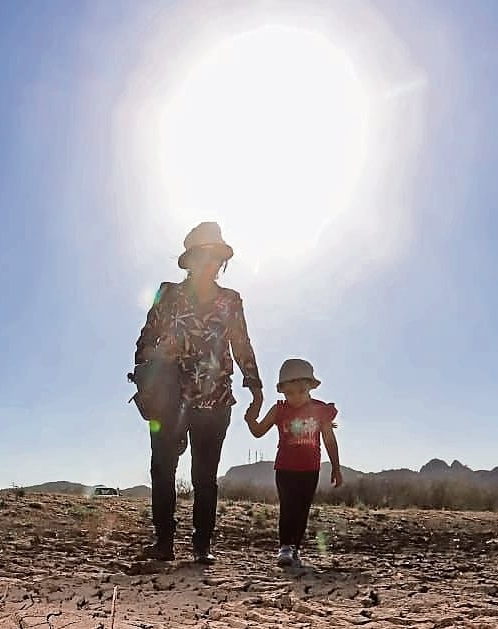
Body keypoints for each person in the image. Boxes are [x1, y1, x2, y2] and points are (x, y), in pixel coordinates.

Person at [132, 222, 263, 563]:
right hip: (169, 399)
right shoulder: (168, 294)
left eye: (216, 256)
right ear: (189, 259)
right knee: (162, 469)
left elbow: (242, 346)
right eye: (203, 255)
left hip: (215, 400)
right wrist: (151, 367)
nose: (209, 262)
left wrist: (255, 386)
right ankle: (163, 542)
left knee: (204, 476)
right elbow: (144, 340)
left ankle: (202, 547)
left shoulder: (231, 301)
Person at [245, 357, 343, 567]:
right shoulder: (279, 410)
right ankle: (285, 547)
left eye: (300, 391)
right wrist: (251, 418)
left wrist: (336, 467)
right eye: (290, 393)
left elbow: (329, 439)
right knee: (288, 507)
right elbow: (258, 432)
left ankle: (296, 547)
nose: (295, 397)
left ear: (309, 387)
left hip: (310, 469)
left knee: (302, 509)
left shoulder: (319, 410)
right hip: (285, 469)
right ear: (283, 392)